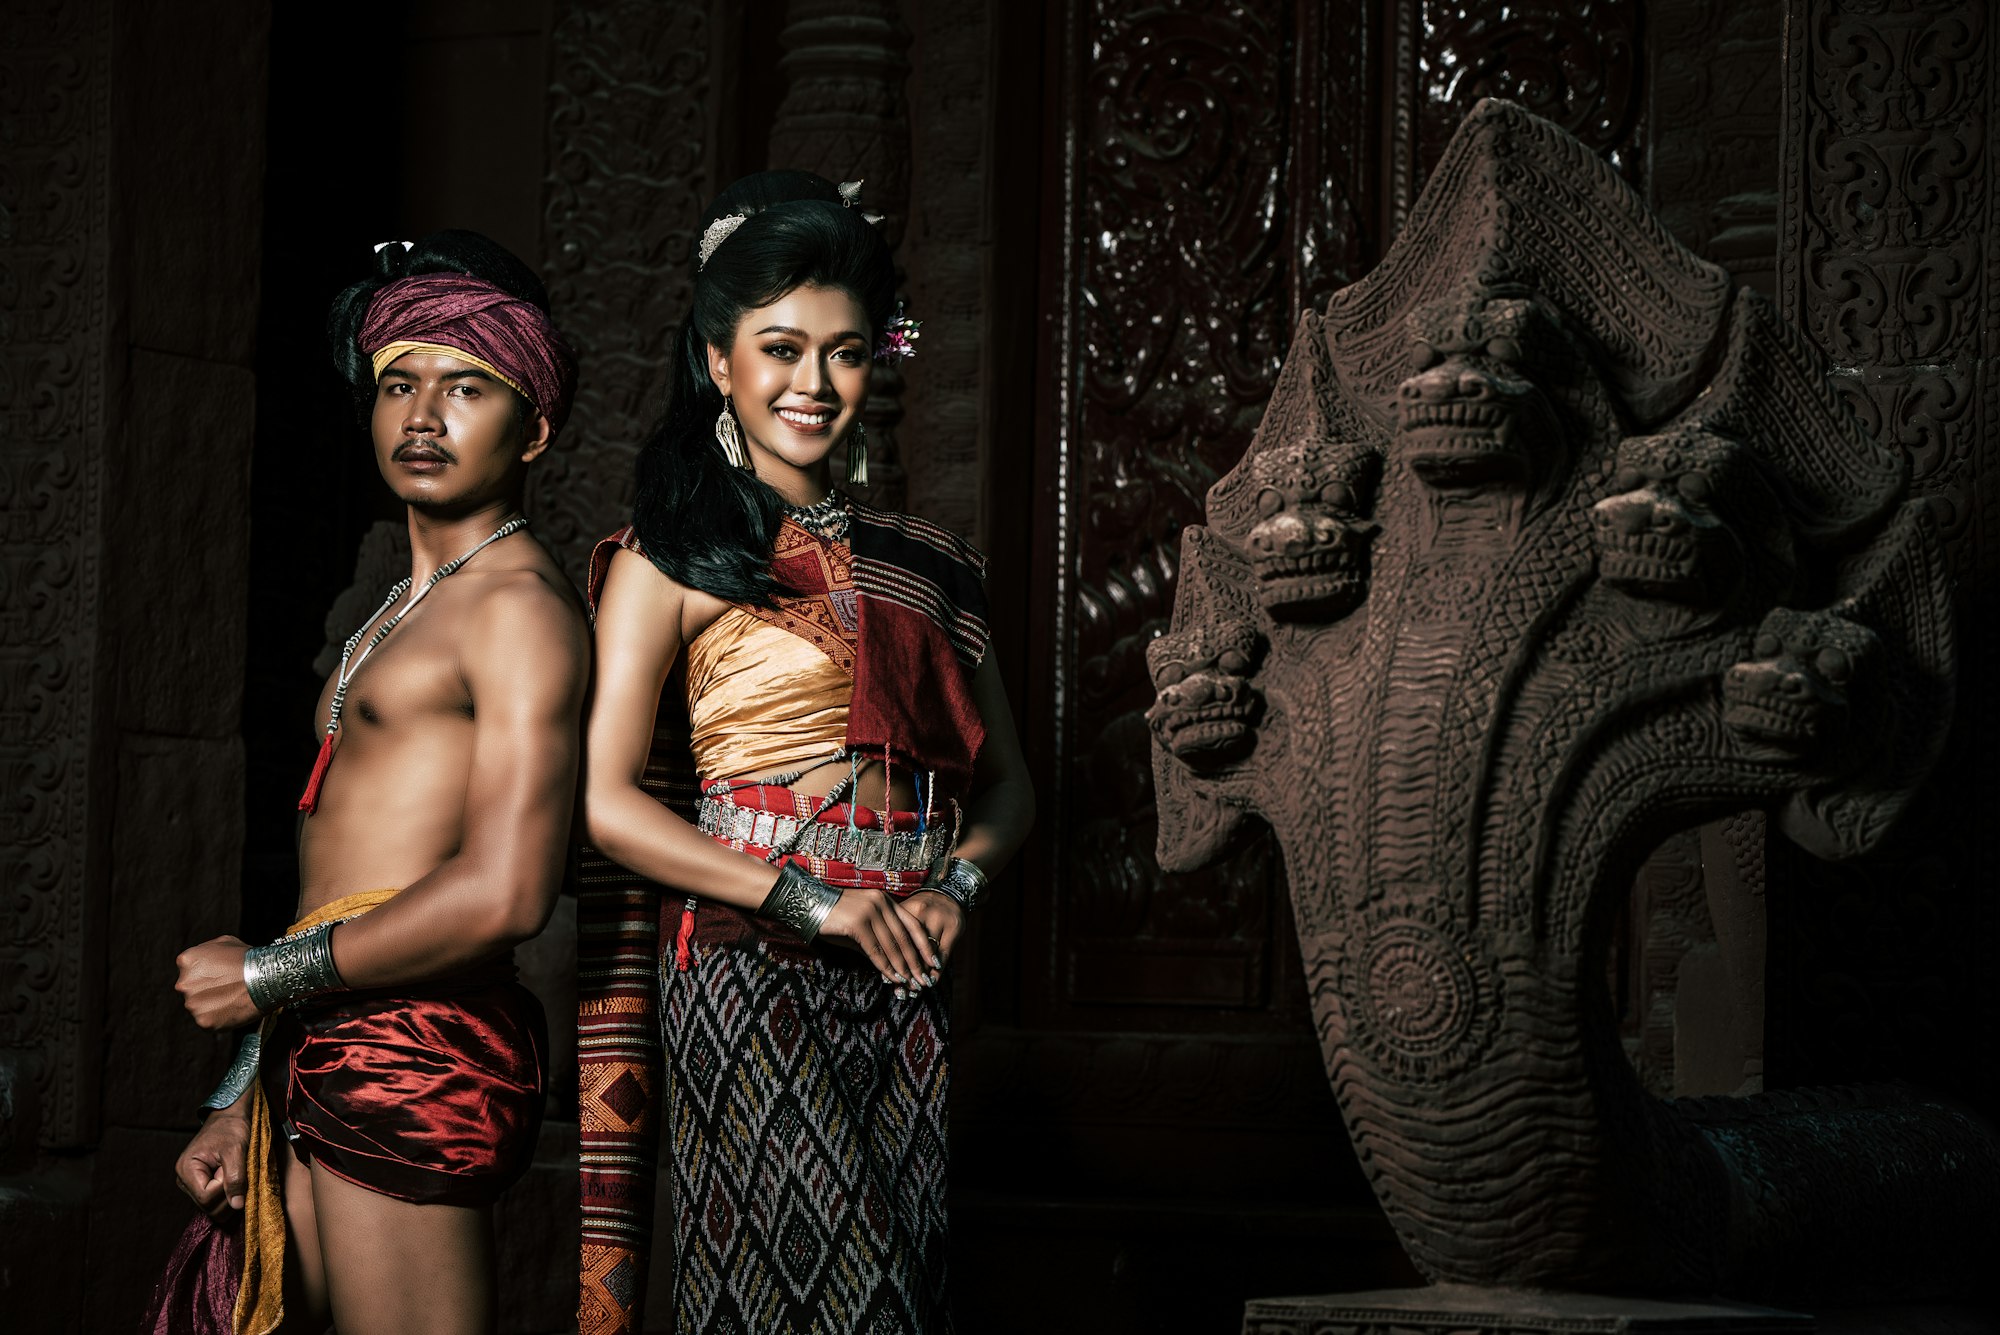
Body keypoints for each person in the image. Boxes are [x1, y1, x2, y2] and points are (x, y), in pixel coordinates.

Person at [576, 170, 1034, 1335]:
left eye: (843, 353)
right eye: (779, 349)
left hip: (908, 972)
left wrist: (954, 890)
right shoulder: (668, 556)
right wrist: (809, 906)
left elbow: (1011, 791)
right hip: (746, 958)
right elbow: (609, 807)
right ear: (719, 360)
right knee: (825, 1298)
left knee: (904, 1289)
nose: (813, 384)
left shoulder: (932, 562)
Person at [153, 231, 588, 1335]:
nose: (423, 415)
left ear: (533, 427)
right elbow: (349, 876)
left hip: (422, 1049)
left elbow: (505, 892)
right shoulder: (395, 606)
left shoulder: (519, 613)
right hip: (328, 1037)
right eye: (399, 383)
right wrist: (244, 1091)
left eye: (466, 385)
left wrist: (261, 974)